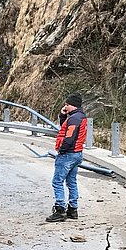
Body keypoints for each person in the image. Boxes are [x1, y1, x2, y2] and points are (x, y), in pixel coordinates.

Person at [46, 93, 87, 222]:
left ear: (73, 105)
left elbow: (69, 137)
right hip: (77, 153)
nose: (65, 106)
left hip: (68, 154)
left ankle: (60, 210)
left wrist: (62, 151)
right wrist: (63, 116)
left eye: (67, 104)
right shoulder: (79, 117)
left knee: (57, 181)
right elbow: (67, 128)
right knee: (71, 182)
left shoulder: (74, 119)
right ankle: (73, 209)